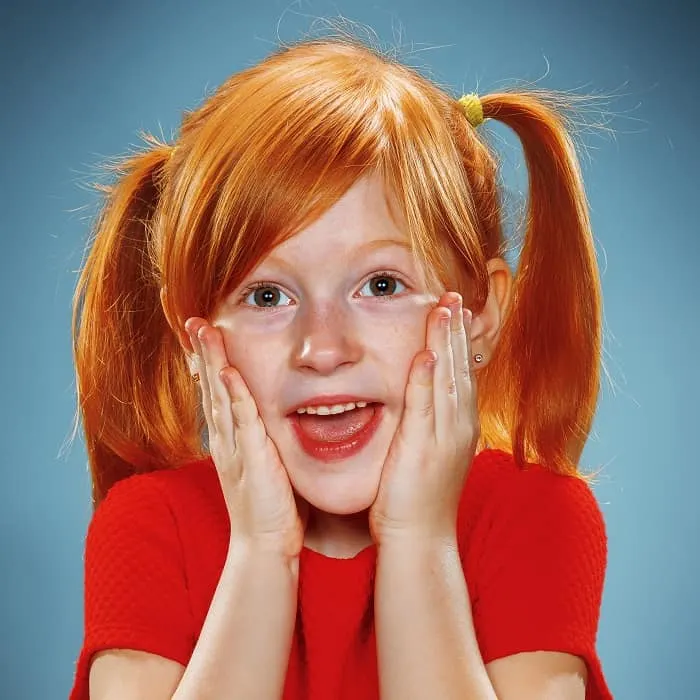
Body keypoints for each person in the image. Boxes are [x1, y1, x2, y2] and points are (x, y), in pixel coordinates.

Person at [68, 33, 613, 700]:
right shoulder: (149, 526)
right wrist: (262, 551)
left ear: (480, 314)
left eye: (381, 286)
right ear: (197, 340)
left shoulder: (537, 517)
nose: (323, 350)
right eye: (268, 295)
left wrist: (418, 541)